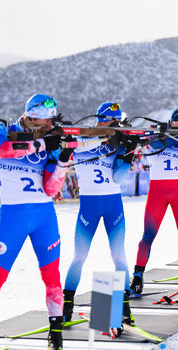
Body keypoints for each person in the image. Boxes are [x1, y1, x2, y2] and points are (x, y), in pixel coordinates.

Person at [0, 94, 74, 350]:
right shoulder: (2, 129)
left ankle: (55, 335)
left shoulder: (51, 141)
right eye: (44, 121)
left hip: (44, 217)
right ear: (31, 116)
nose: (48, 126)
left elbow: (51, 189)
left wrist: (63, 160)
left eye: (50, 122)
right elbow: (0, 150)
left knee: (52, 278)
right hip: (13, 218)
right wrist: (42, 145)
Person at [62, 102, 137, 335]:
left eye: (117, 122)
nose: (115, 125)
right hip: (89, 207)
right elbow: (74, 146)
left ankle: (124, 307)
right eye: (112, 121)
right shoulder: (85, 136)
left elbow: (117, 178)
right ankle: (66, 305)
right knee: (79, 256)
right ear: (102, 120)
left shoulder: (117, 139)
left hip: (113, 204)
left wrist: (127, 152)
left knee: (119, 255)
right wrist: (106, 139)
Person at [130, 107, 178, 302]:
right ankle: (137, 277)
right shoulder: (158, 133)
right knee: (148, 236)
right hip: (158, 191)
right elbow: (151, 141)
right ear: (174, 121)